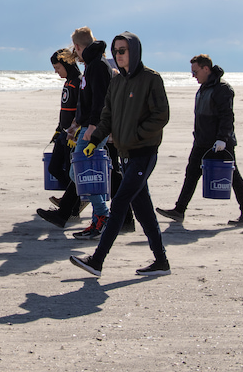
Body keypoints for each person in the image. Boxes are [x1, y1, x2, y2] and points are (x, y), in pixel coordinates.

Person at [70, 32, 171, 277]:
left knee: (120, 205)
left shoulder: (151, 79)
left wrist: (135, 134)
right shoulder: (117, 81)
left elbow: (161, 116)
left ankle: (97, 260)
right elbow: (107, 116)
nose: (118, 55)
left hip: (144, 153)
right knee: (145, 212)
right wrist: (95, 140)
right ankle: (161, 262)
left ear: (134, 51)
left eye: (123, 50)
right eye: (116, 51)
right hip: (126, 154)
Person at [156, 55, 243, 226]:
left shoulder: (222, 89)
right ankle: (179, 210)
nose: (193, 75)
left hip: (220, 143)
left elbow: (227, 116)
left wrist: (222, 139)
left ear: (206, 69)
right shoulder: (203, 88)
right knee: (191, 174)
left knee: (233, 176)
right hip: (201, 142)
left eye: (195, 71)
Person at [37, 27, 114, 235]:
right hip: (87, 126)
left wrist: (92, 127)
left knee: (81, 172)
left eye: (75, 48)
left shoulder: (97, 65)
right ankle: (75, 214)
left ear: (78, 46)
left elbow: (100, 99)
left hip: (92, 129)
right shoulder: (93, 63)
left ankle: (101, 215)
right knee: (80, 172)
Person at [46, 49, 81, 191]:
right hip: (63, 133)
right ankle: (71, 199)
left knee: (70, 171)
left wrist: (75, 131)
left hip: (72, 135)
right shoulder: (68, 83)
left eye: (58, 68)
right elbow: (65, 111)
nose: (56, 72)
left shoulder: (79, 82)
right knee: (54, 168)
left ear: (67, 64)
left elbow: (81, 111)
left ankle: (72, 203)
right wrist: (58, 129)